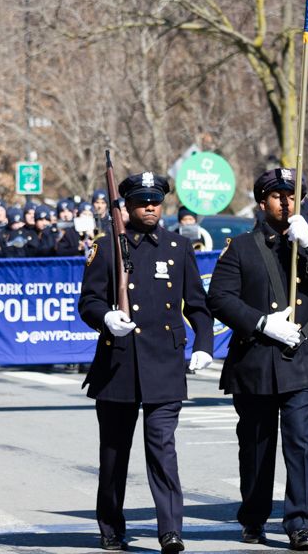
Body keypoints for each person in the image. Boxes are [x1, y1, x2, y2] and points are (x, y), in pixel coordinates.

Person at [206, 168, 308, 551]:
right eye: (278, 196)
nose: (286, 202)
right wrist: (261, 323)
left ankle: (301, 523)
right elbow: (218, 297)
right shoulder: (241, 247)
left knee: (300, 441)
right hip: (257, 359)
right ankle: (253, 516)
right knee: (256, 444)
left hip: (301, 358)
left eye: (292, 196)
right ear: (262, 201)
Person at [78, 172, 214, 554]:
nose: (150, 207)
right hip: (118, 365)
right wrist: (106, 317)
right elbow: (88, 301)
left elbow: (198, 305)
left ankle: (171, 530)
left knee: (162, 449)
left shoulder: (177, 247)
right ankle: (110, 526)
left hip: (164, 363)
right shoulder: (107, 250)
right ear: (127, 207)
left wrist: (204, 344)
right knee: (114, 453)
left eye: (155, 201)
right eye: (141, 202)